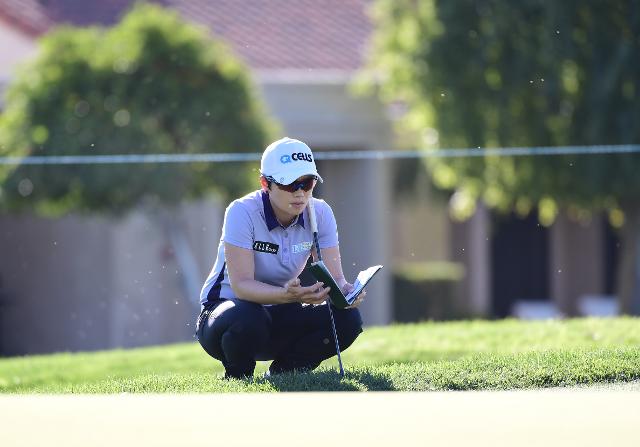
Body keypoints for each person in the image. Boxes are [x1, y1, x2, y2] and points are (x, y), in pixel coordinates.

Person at [195, 137, 365, 379]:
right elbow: (241, 287)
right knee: (249, 316)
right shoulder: (241, 212)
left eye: (307, 183)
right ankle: (238, 376)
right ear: (266, 183)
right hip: (226, 318)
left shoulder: (321, 213)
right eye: (289, 184)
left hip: (280, 312)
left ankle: (285, 374)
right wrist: (288, 295)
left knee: (348, 318)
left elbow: (335, 279)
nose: (300, 193)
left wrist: (348, 292)